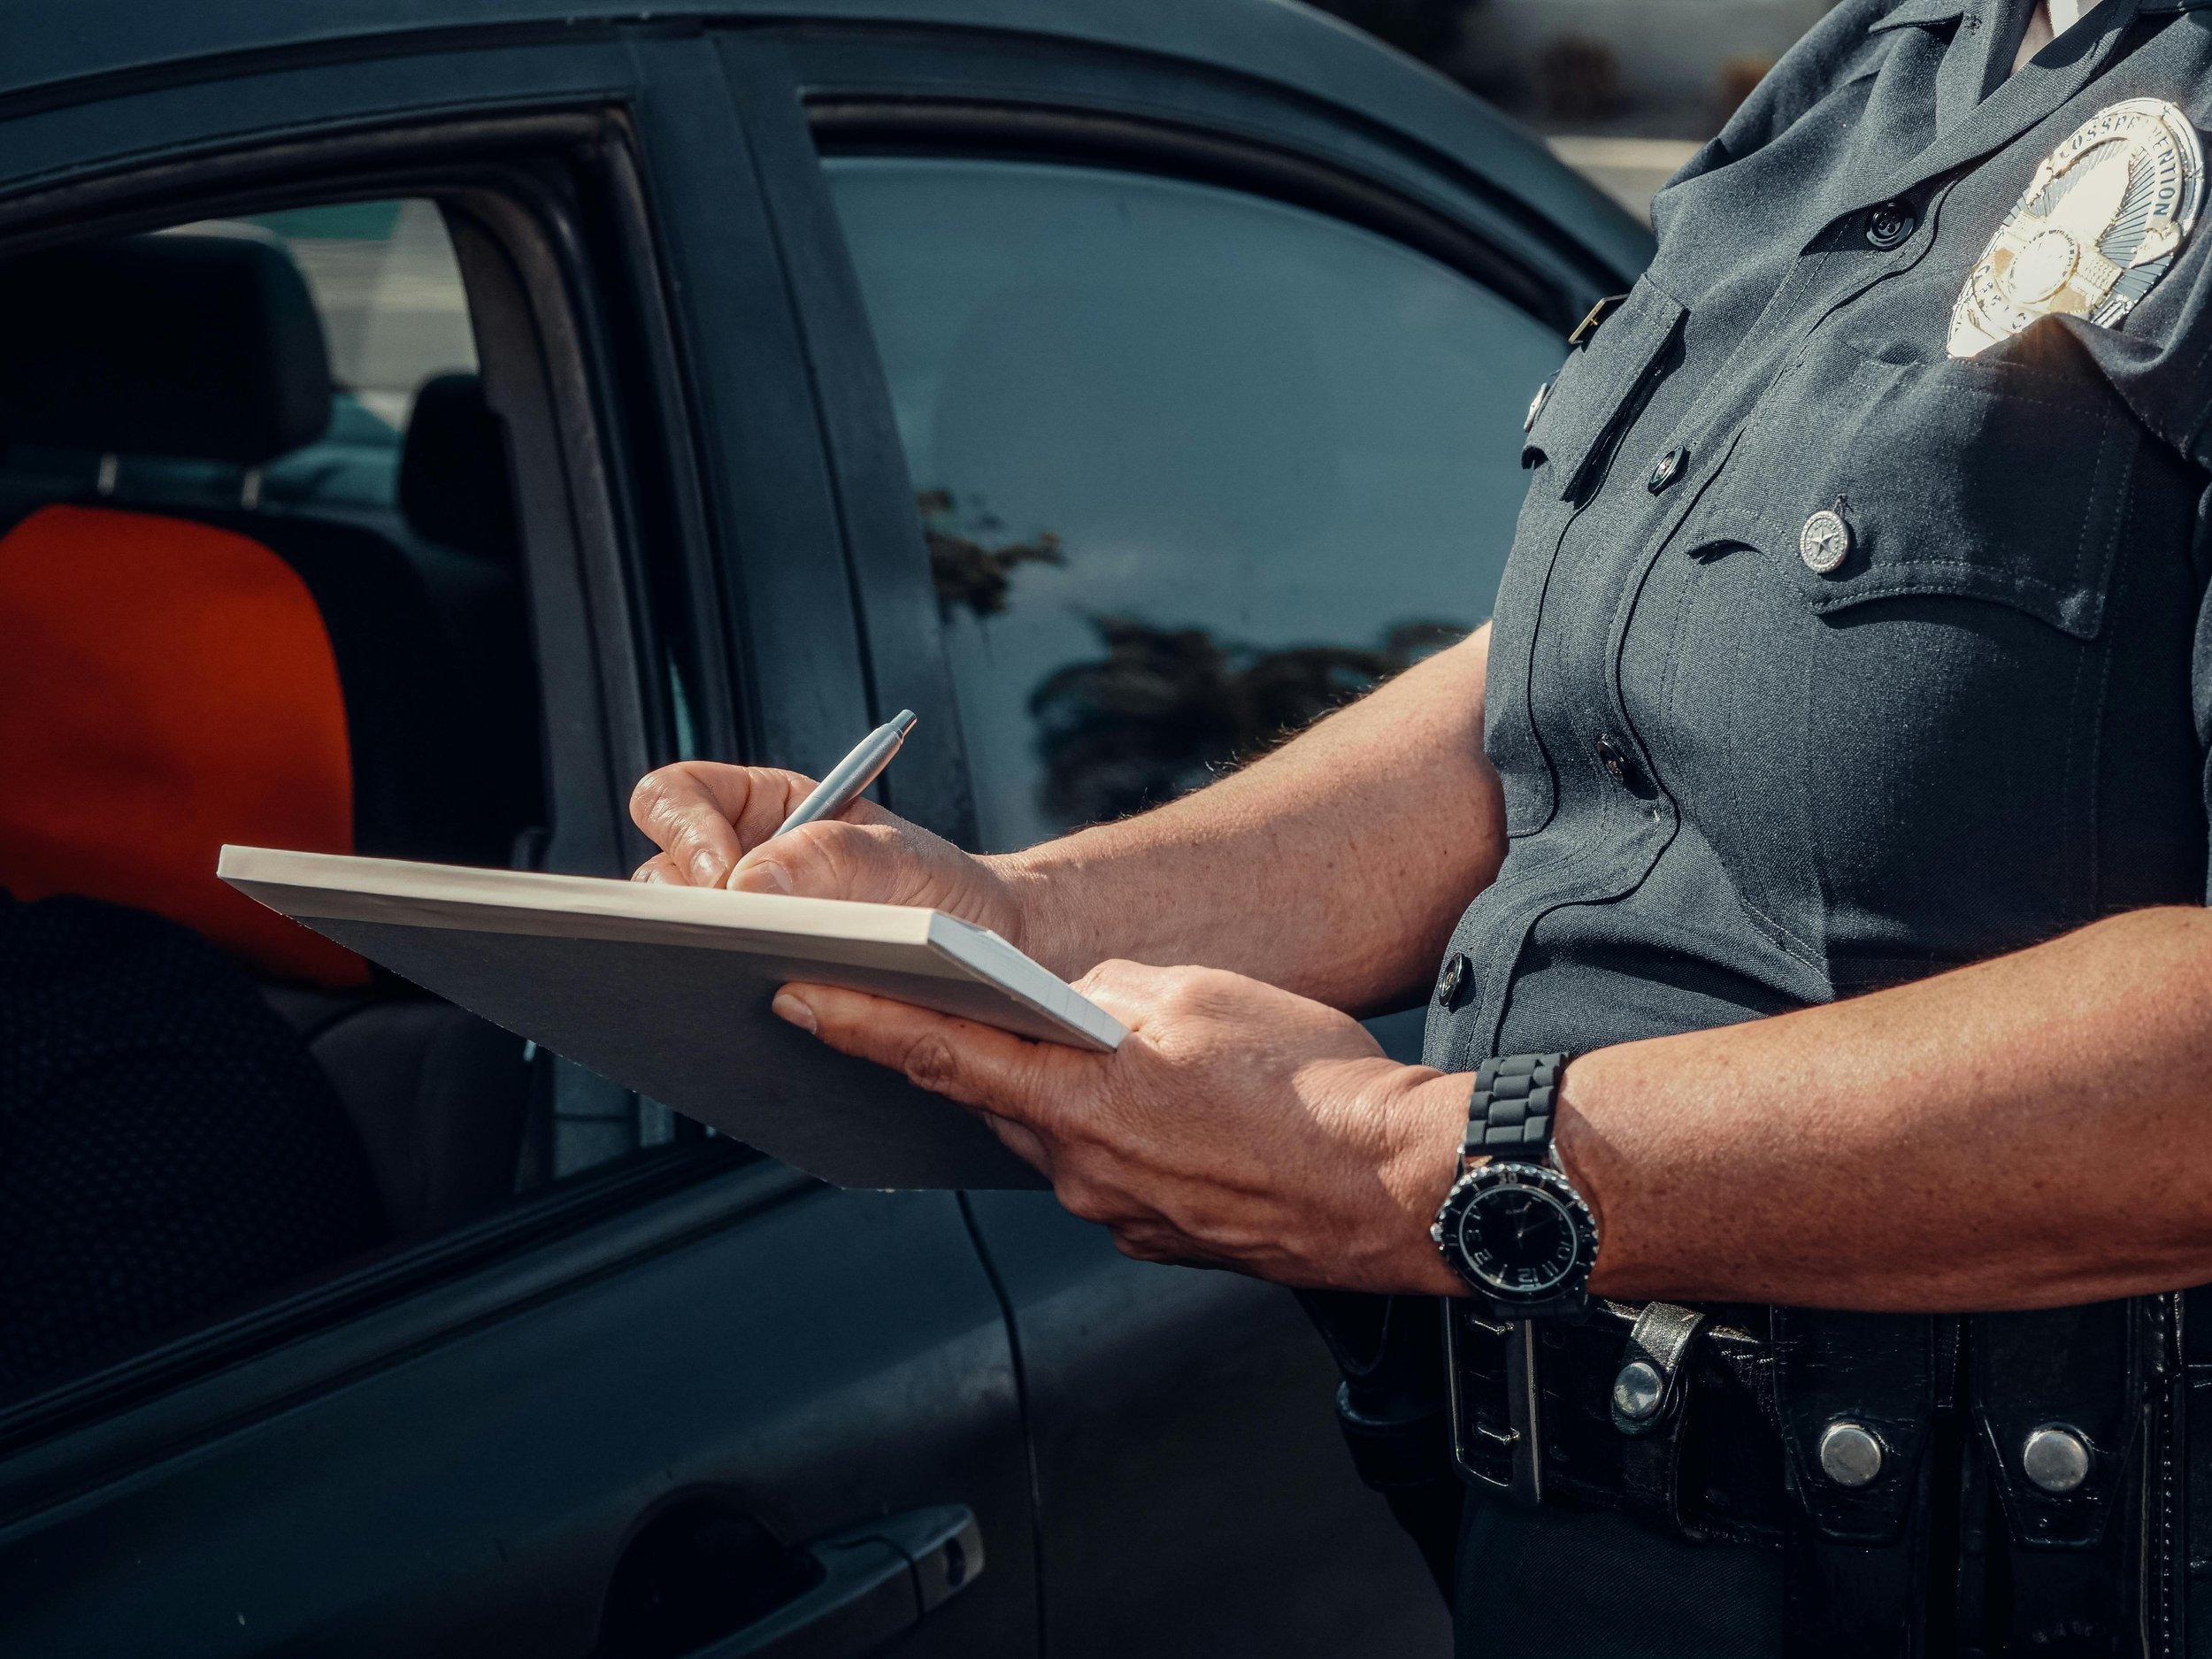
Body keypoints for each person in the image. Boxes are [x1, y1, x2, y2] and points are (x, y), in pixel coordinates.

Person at [632, 0, 2212, 1651]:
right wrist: (1009, 916)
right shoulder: (1878, 72)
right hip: (1580, 1536)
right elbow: (1556, 685)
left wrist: (1402, 1162)